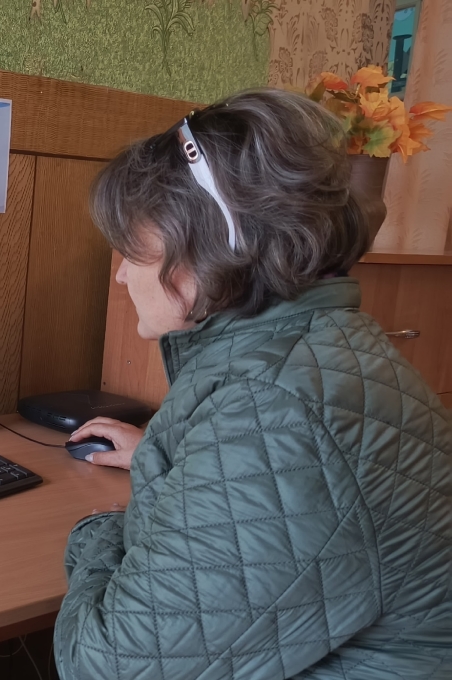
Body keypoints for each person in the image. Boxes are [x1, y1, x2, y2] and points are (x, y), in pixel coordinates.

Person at [56, 89, 452, 679]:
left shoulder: (273, 412)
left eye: (133, 251)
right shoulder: (327, 350)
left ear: (212, 249)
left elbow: (106, 666)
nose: (120, 275)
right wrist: (171, 467)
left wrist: (96, 533)